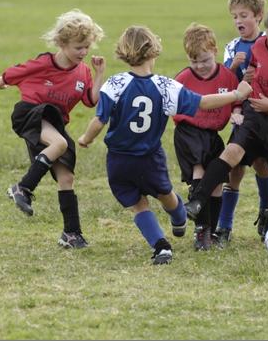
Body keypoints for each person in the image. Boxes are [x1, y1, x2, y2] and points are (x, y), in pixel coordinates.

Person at [78, 26, 252, 264]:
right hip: (150, 158)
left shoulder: (115, 83)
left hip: (119, 160)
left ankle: (161, 247)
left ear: (124, 53)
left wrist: (85, 139)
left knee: (139, 205)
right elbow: (203, 102)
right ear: (153, 52)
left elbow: (99, 120)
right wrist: (236, 95)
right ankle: (179, 216)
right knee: (165, 193)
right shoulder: (164, 86)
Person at [185, 4, 268, 241]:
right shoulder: (259, 45)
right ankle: (198, 201)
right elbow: (253, 70)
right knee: (232, 156)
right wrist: (246, 81)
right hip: (253, 115)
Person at [0, 9, 105, 249]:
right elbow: (15, 73)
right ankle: (23, 188)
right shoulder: (45, 62)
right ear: (62, 44)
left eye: (87, 47)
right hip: (30, 114)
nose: (84, 52)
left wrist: (99, 74)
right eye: (78, 47)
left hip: (53, 122)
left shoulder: (83, 71)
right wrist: (2, 80)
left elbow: (91, 100)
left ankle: (71, 234)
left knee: (67, 177)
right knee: (60, 143)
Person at [172, 23, 242, 251]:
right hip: (189, 131)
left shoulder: (228, 77)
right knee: (199, 171)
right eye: (194, 61)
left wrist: (236, 112)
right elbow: (171, 106)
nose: (200, 66)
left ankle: (210, 230)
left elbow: (237, 100)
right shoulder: (182, 79)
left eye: (205, 60)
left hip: (212, 134)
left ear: (215, 51)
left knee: (218, 182)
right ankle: (201, 231)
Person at [217, 0, 268, 245]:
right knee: (235, 168)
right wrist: (234, 67)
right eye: (235, 16)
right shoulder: (232, 47)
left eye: (244, 15)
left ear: (259, 15)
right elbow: (224, 82)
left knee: (262, 163)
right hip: (243, 114)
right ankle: (224, 226)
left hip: (265, 113)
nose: (238, 21)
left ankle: (266, 212)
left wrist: (257, 76)